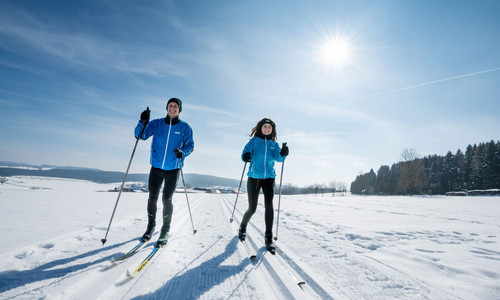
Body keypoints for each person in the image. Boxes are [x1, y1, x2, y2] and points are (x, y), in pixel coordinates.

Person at [135, 98, 194, 248]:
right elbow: (140, 136)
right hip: (156, 167)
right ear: (166, 108)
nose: (172, 108)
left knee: (166, 199)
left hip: (173, 168)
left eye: (175, 106)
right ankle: (150, 227)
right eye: (170, 106)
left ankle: (165, 231)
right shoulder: (156, 123)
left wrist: (183, 152)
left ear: (179, 109)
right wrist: (142, 121)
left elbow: (190, 145)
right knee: (152, 197)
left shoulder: (185, 127)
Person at [238, 118, 289, 252]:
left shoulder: (274, 144)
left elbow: (279, 158)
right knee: (252, 208)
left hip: (269, 179)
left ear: (272, 130)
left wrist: (284, 154)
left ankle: (268, 238)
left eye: (269, 127)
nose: (267, 129)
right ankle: (243, 227)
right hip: (254, 178)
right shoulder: (254, 141)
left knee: (269, 206)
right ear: (261, 128)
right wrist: (246, 156)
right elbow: (244, 153)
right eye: (265, 126)